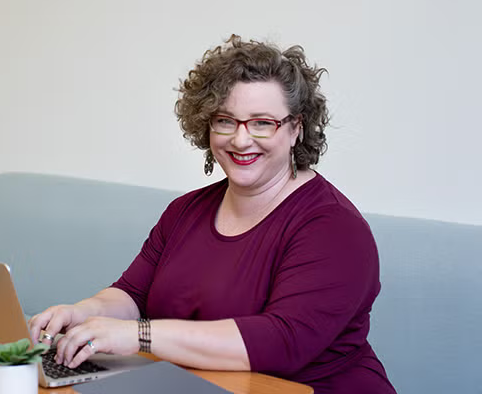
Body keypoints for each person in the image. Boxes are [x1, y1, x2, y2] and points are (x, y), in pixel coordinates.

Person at [29, 35, 397, 394]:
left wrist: (137, 337)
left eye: (262, 122)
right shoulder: (185, 211)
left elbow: (281, 343)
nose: (240, 139)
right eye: (225, 120)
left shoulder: (333, 227)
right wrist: (83, 313)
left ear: (296, 128)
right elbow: (132, 294)